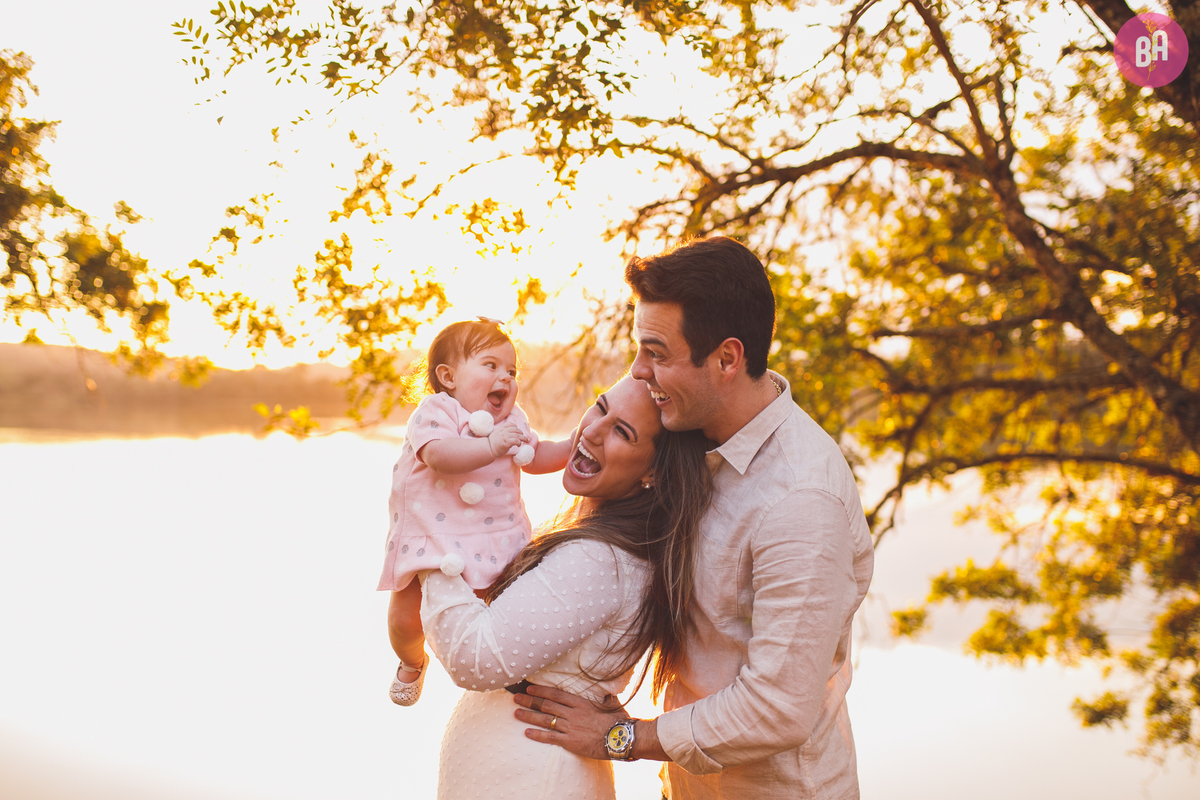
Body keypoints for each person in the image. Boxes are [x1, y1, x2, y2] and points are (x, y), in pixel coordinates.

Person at [512, 237, 876, 799]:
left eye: (657, 353)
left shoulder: (801, 500)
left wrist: (622, 737)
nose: (639, 370)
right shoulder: (692, 447)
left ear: (727, 359)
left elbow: (776, 710)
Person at [419, 375, 712, 799]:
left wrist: (429, 544)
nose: (592, 430)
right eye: (600, 406)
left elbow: (474, 657)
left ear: (652, 469)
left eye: (622, 432)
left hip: (537, 781)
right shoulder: (599, 541)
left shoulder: (602, 559)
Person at [377, 318, 572, 705]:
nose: (505, 377)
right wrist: (492, 447)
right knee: (405, 620)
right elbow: (439, 455)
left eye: (512, 370)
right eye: (491, 365)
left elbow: (536, 457)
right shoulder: (436, 412)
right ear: (448, 376)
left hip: (494, 536)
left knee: (506, 607)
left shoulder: (512, 421)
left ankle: (517, 669)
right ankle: (412, 660)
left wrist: (576, 444)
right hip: (432, 537)